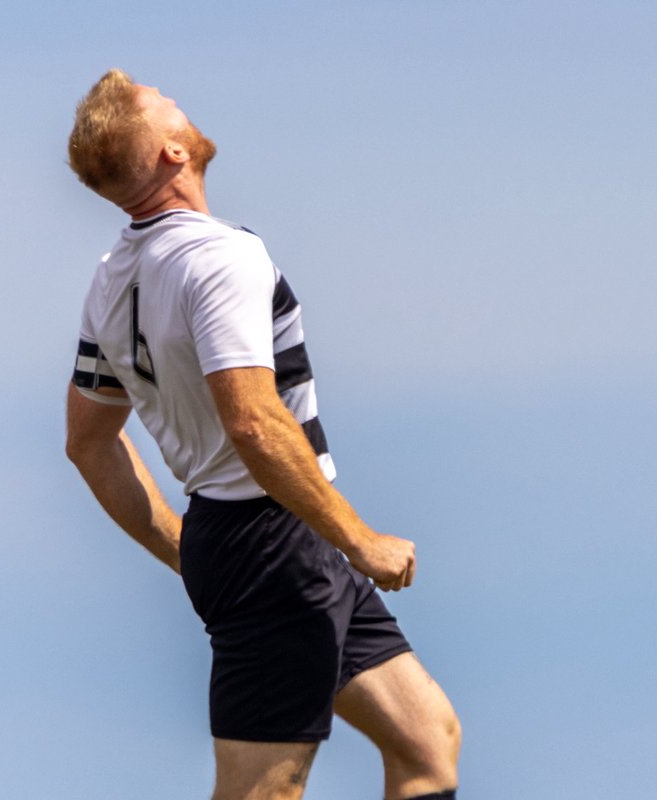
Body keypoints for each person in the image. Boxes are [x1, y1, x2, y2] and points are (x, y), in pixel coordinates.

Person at [63, 69, 461, 800]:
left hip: (264, 537)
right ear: (170, 153)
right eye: (169, 106)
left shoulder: (114, 277)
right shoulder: (221, 257)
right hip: (274, 542)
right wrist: (359, 539)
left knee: (426, 739)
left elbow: (89, 442)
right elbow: (254, 420)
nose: (181, 103)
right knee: (264, 789)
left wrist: (185, 547)